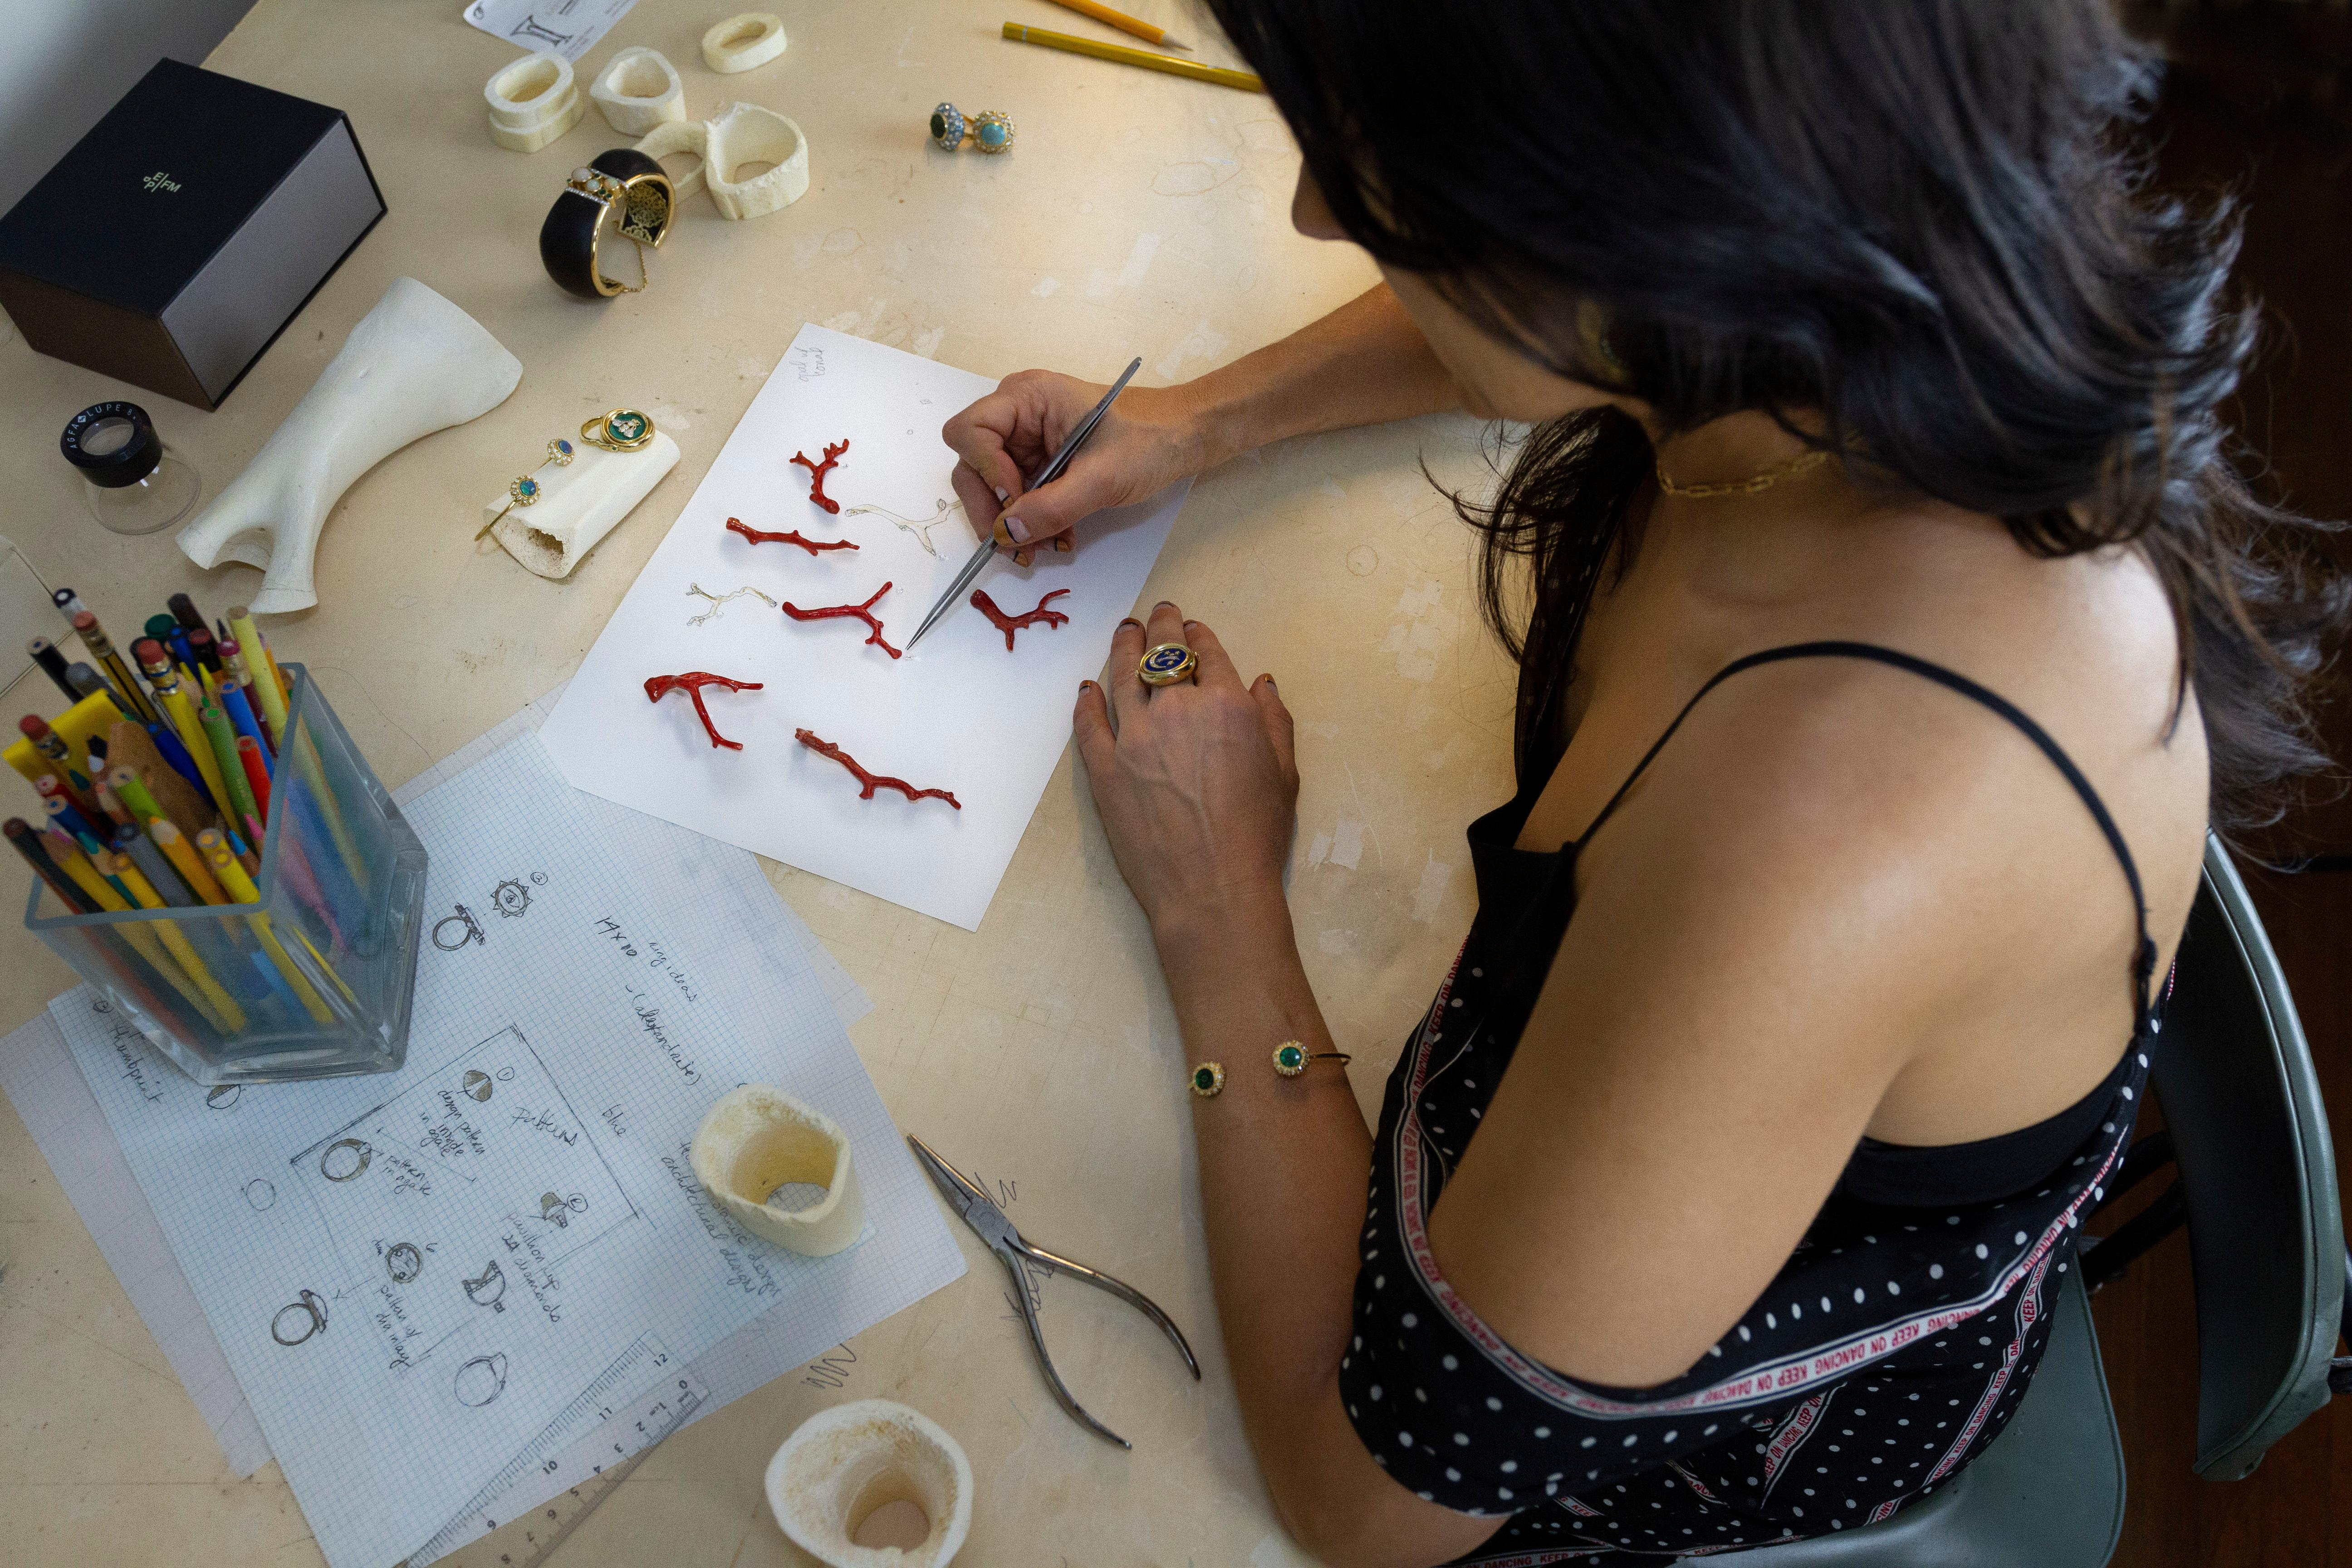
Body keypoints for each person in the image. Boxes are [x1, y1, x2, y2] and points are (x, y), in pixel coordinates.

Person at [942, 4, 2345, 1563]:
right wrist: (1199, 418)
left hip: (1681, 1441)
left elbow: (1365, 1503)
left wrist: (1218, 919)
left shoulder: (1829, 828)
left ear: (1640, 188)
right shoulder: (1855, 301)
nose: (1319, 213)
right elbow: (1577, 320)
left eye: (1387, 167)